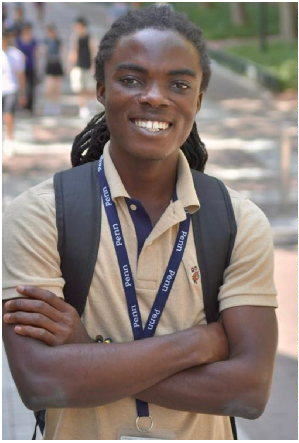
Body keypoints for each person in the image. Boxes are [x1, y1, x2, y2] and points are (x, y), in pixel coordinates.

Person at [2, 6, 278, 440]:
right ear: (100, 88)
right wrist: (200, 344)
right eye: (131, 80)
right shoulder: (39, 214)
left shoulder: (239, 221)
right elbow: (41, 382)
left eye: (179, 84)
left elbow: (249, 391)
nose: (154, 96)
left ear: (199, 98)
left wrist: (87, 355)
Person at [2, 27, 26, 156]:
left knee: (8, 115)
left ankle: (9, 140)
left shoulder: (16, 55)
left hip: (11, 88)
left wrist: (22, 93)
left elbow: (21, 75)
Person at [68, 16, 96, 118]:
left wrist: (94, 65)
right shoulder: (75, 37)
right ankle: (83, 108)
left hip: (88, 66)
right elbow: (73, 51)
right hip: (78, 66)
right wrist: (71, 65)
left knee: (91, 89)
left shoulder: (90, 37)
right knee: (81, 89)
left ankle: (91, 106)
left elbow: (93, 52)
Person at [42, 24, 64, 115]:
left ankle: (56, 106)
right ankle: (48, 106)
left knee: (57, 88)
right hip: (49, 65)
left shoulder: (58, 41)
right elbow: (43, 53)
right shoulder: (46, 42)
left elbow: (62, 53)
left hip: (57, 65)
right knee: (49, 88)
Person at [16, 22, 38, 114]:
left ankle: (29, 106)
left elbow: (35, 54)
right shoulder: (19, 41)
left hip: (30, 66)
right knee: (22, 86)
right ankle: (21, 105)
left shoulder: (33, 41)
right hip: (20, 67)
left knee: (31, 87)